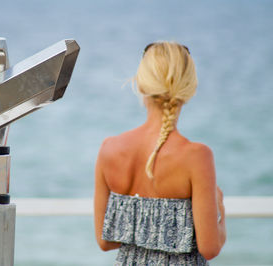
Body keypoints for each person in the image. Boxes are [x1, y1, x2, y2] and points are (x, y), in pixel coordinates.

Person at [94, 42, 226, 265]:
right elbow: (210, 248)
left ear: (142, 85)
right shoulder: (197, 156)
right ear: (190, 87)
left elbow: (105, 242)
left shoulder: (109, 148)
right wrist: (220, 209)